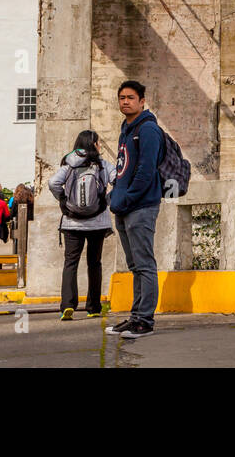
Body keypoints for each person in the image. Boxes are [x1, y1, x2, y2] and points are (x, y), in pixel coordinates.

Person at [104, 80, 163, 340]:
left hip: (141, 207)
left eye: (130, 97)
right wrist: (114, 195)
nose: (125, 101)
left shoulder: (148, 129)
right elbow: (122, 168)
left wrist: (125, 198)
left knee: (145, 265)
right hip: (124, 207)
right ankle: (136, 316)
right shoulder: (126, 130)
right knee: (135, 266)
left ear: (142, 101)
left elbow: (146, 172)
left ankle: (145, 321)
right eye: (121, 98)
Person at [48, 130, 113, 321]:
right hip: (97, 222)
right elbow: (119, 180)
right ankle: (93, 307)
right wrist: (106, 200)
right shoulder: (102, 165)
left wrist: (63, 200)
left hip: (72, 222)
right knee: (94, 263)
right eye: (98, 143)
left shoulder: (68, 163)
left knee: (71, 263)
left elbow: (53, 183)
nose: (99, 146)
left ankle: (68, 305)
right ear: (93, 144)